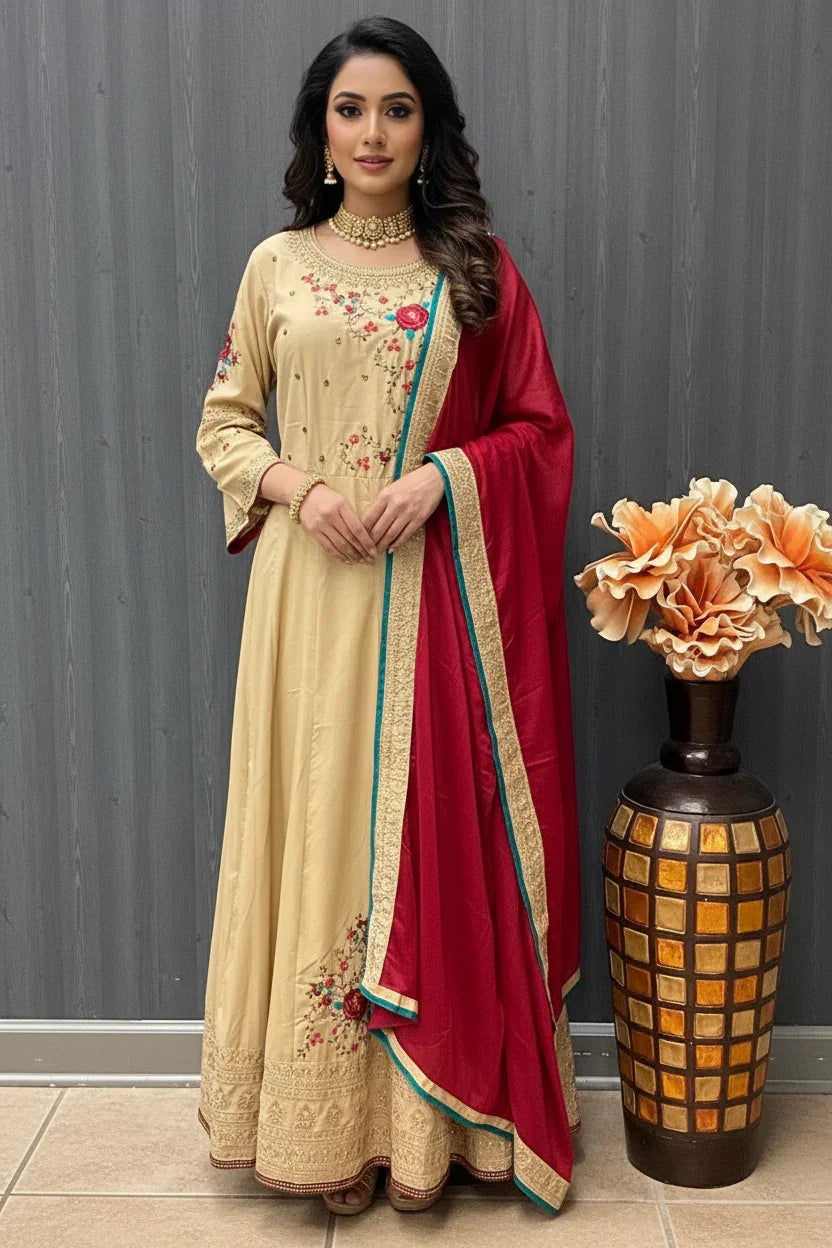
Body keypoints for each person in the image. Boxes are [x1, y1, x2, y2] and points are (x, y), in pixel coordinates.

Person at [195, 14, 582, 1218]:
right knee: (309, 825)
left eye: (397, 109)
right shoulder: (276, 265)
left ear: (430, 132)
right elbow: (222, 424)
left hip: (434, 613)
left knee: (412, 843)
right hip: (307, 605)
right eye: (351, 108)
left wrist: (440, 480)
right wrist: (302, 489)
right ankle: (313, 1130)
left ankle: (423, 1137)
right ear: (321, 128)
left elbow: (537, 434)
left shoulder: (473, 270)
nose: (372, 131)